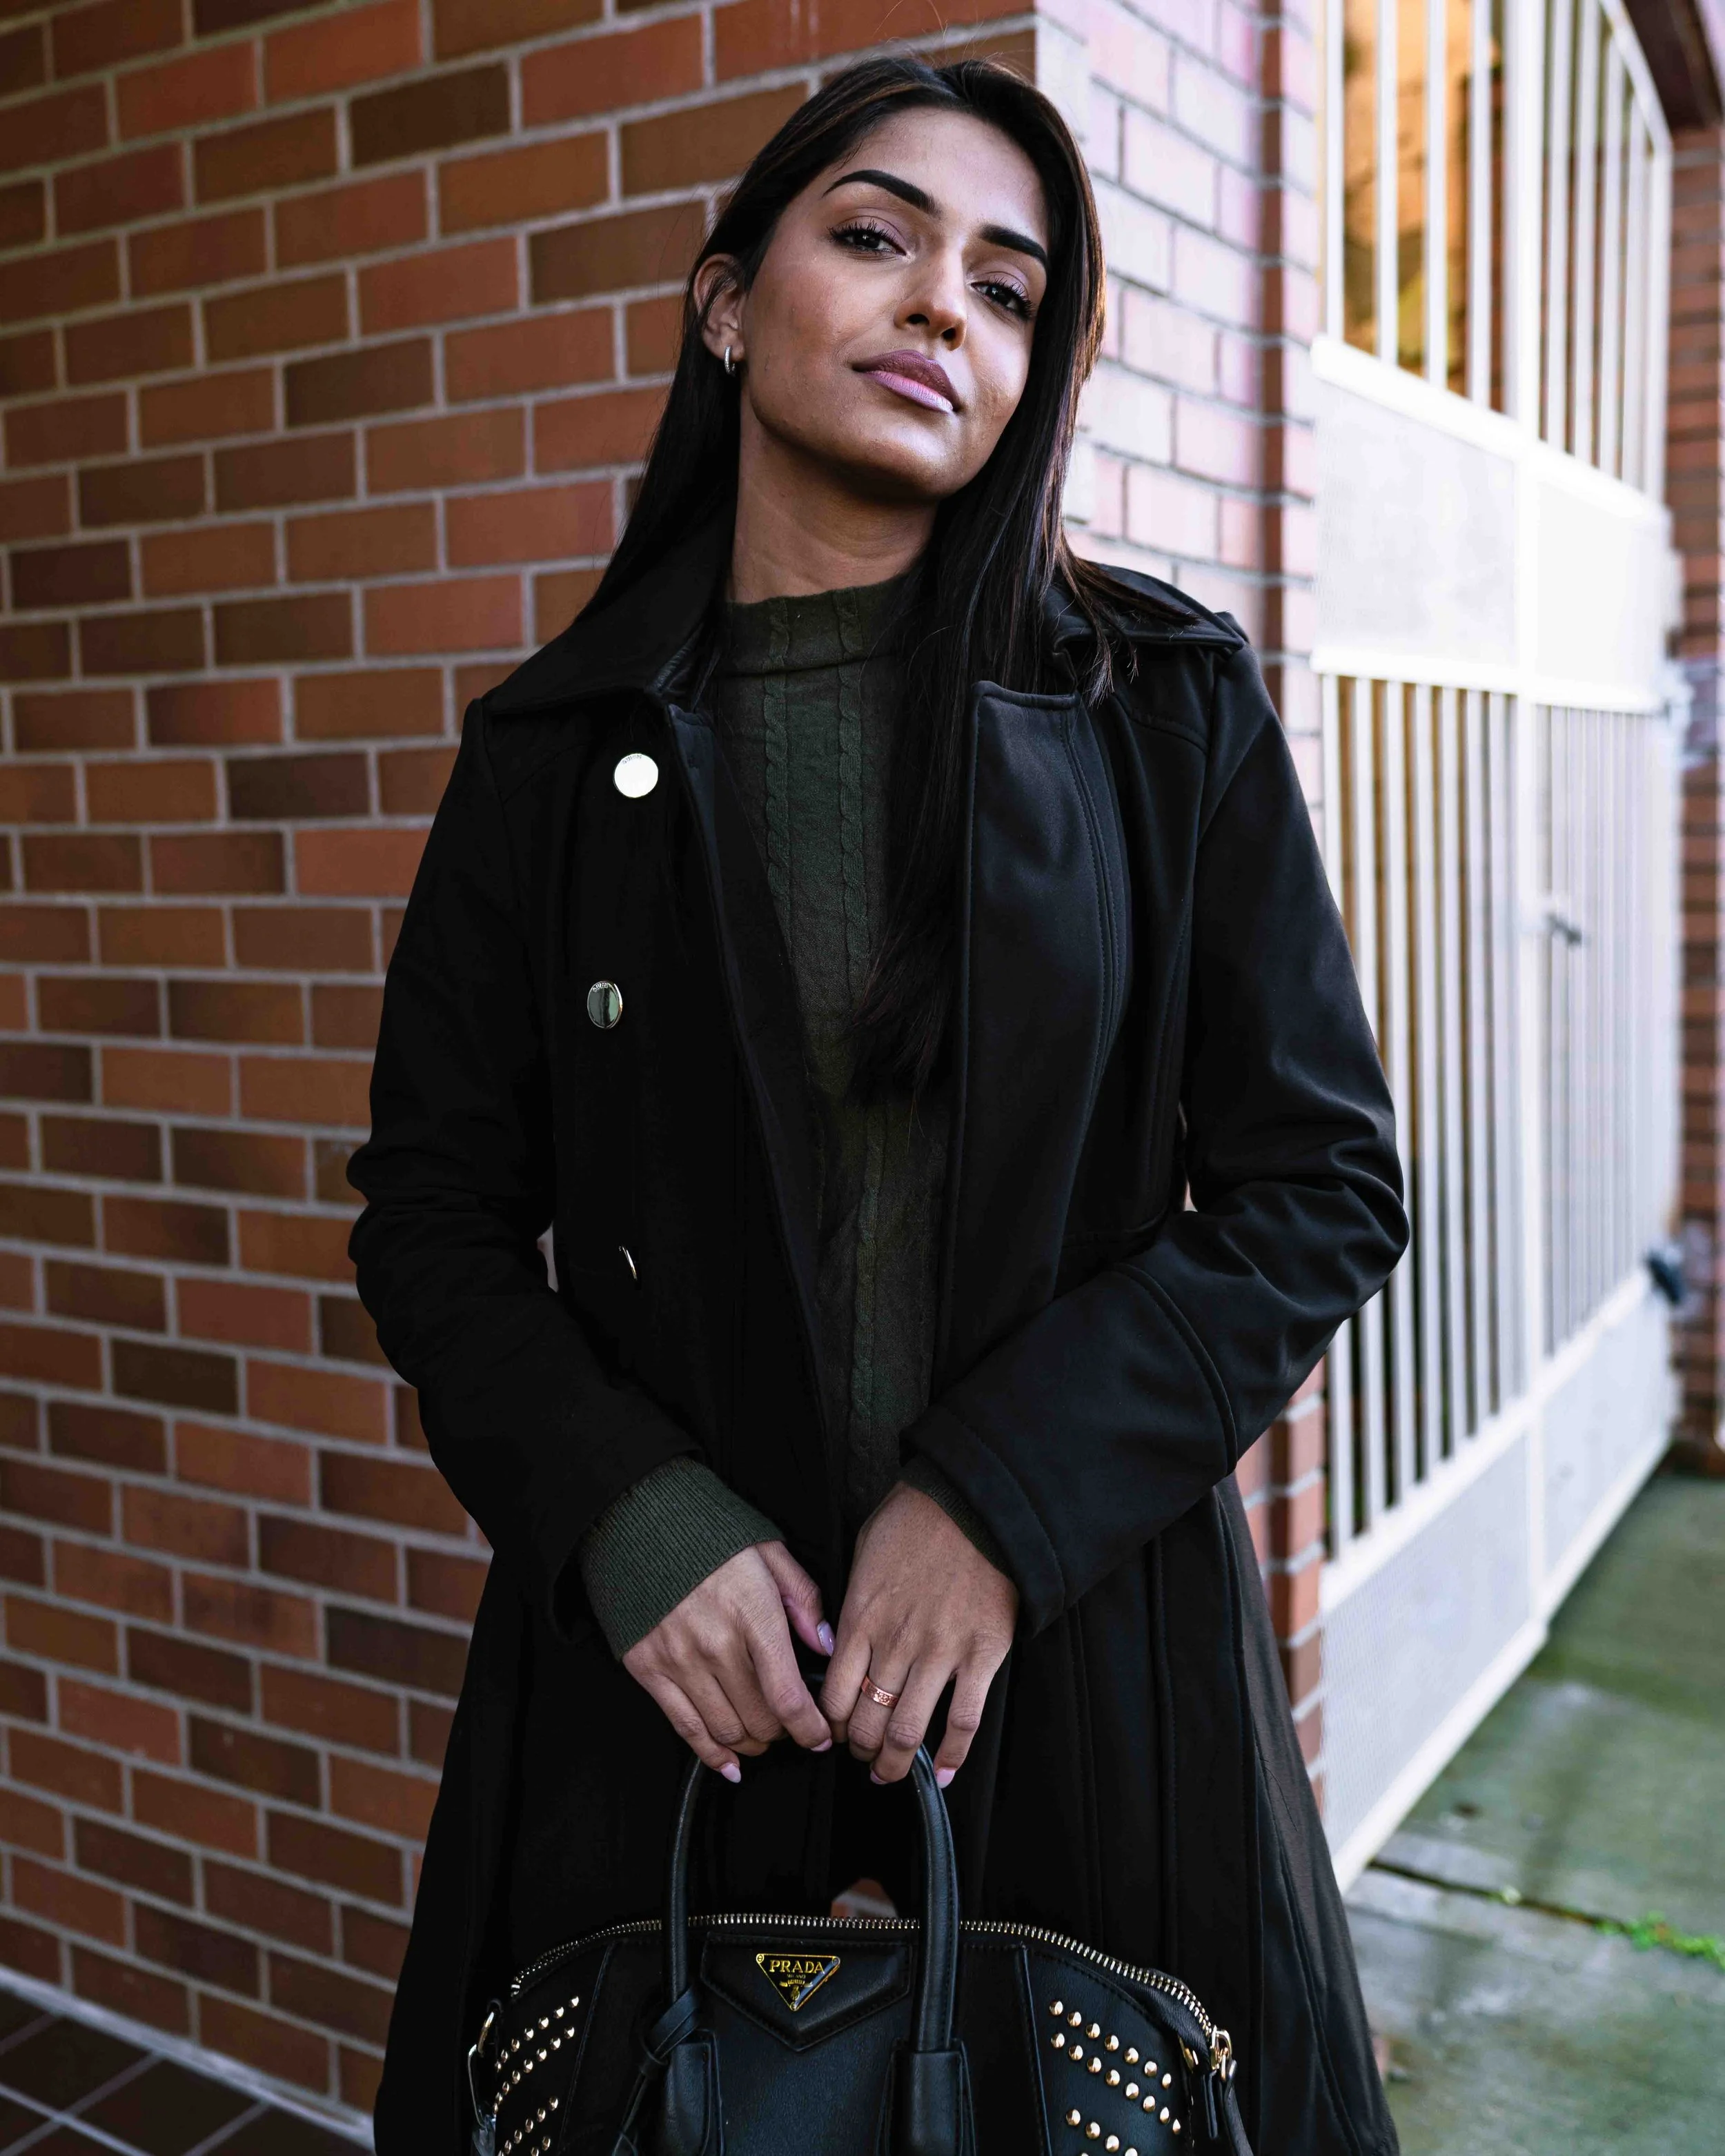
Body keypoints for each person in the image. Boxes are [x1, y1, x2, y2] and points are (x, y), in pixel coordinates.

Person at [349, 53, 1408, 2155]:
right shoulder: (552, 759)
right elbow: (435, 1216)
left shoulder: (1158, 711)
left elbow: (1318, 1181)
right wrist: (630, 1521)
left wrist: (1001, 1505)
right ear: (727, 302)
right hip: (674, 1712)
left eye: (1012, 288)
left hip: (1085, 1695)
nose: (948, 309)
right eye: (876, 236)